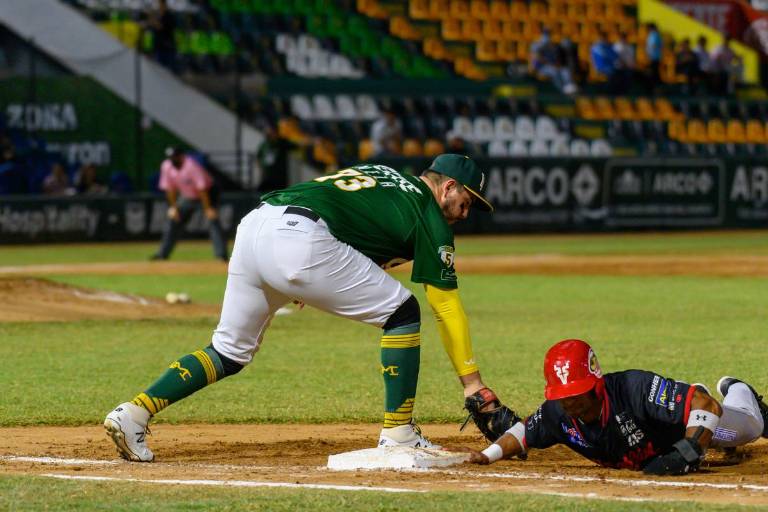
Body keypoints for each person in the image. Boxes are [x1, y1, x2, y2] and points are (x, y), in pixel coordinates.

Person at [104, 154, 516, 462]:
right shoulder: (431, 215)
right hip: (301, 238)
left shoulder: (383, 174)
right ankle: (400, 434)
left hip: (256, 226)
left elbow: (352, 225)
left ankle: (135, 413)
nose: (467, 212)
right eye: (467, 200)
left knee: (229, 351)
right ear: (446, 188)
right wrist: (472, 384)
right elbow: (445, 306)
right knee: (402, 311)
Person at [463, 339, 768, 475]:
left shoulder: (633, 389)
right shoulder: (559, 411)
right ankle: (684, 397)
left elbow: (707, 406)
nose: (570, 402)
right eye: (562, 394)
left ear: (596, 384)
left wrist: (688, 452)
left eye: (577, 392)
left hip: (687, 427)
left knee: (748, 429)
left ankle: (740, 390)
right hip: (667, 433)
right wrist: (488, 456)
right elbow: (525, 431)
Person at [150, 147, 228, 262]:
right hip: (187, 196)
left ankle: (221, 255)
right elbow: (169, 189)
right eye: (171, 157)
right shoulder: (166, 166)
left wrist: (208, 208)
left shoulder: (191, 166)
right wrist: (173, 207)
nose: (173, 159)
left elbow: (202, 189)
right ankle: (162, 254)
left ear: (182, 156)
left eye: (175, 157)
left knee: (213, 221)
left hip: (208, 194)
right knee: (173, 221)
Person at [530, 28, 577, 95]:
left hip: (553, 65)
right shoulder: (536, 45)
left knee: (565, 70)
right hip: (541, 68)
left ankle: (569, 85)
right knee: (554, 71)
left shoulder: (553, 45)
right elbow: (537, 59)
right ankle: (563, 90)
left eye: (548, 34)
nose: (547, 36)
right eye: (545, 34)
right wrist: (552, 64)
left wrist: (557, 64)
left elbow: (558, 57)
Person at [645, 23, 663, 94]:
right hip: (653, 58)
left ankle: (654, 90)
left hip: (653, 58)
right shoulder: (654, 35)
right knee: (654, 75)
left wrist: (649, 55)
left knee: (654, 75)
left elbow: (653, 46)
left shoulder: (654, 35)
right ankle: (655, 89)